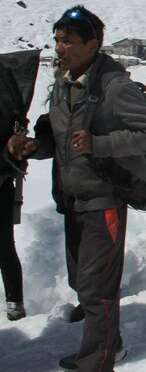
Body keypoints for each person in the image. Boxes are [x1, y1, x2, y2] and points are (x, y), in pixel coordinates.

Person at [8, 6, 146, 370]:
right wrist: (36, 147)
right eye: (57, 41)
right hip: (72, 198)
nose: (60, 48)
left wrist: (100, 144)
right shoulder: (64, 84)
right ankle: (110, 345)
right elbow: (62, 139)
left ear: (92, 45)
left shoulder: (114, 87)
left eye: (68, 41)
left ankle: (99, 359)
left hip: (104, 198)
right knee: (83, 283)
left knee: (96, 287)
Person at [0, 50, 40, 322]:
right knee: (5, 246)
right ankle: (15, 302)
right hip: (4, 182)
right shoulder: (6, 95)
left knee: (4, 246)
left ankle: (15, 302)